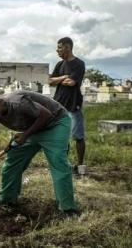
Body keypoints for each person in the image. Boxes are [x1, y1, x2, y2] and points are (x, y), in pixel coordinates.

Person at [0, 91, 79, 215]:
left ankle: (67, 208)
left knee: (58, 162)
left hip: (55, 123)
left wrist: (26, 135)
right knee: (12, 161)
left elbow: (46, 115)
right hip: (32, 129)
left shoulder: (18, 103)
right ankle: (7, 198)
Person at [48, 37, 86, 175]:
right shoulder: (59, 64)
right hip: (58, 105)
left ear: (68, 47)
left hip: (73, 104)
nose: (57, 50)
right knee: (61, 137)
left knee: (78, 136)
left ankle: (80, 166)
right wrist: (63, 77)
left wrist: (60, 80)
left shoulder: (79, 64)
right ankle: (64, 165)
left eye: (59, 47)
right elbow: (50, 81)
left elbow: (71, 83)